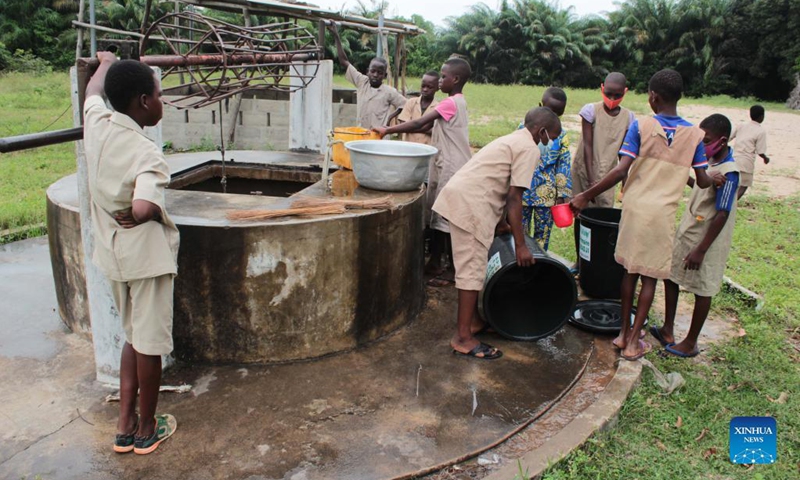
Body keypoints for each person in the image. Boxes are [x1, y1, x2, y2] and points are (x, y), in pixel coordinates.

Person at [570, 69, 722, 361]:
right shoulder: (695, 135)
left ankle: (622, 334)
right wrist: (713, 179)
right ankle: (633, 344)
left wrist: (585, 195)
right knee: (649, 279)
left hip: (634, 209)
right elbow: (701, 181)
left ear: (653, 97)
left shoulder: (640, 126)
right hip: (660, 216)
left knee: (629, 272)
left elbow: (620, 170)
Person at [83, 53, 179, 454]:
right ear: (143, 101)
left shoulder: (98, 126)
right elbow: (141, 207)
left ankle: (122, 425)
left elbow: (91, 92)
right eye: (159, 95)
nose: (163, 101)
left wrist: (103, 63)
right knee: (150, 343)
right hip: (147, 260)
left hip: (113, 255)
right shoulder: (146, 152)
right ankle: (145, 429)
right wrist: (151, 211)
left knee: (132, 336)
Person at [430, 107, 561, 359]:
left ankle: (474, 322)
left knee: (472, 267)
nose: (550, 144)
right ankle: (463, 338)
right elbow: (514, 197)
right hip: (471, 205)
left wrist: (501, 224)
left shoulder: (513, 139)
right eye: (551, 138)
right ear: (541, 131)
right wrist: (520, 245)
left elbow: (497, 180)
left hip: (463, 197)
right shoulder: (529, 148)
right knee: (472, 271)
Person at [374, 57, 473, 286]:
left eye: (443, 76)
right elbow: (428, 125)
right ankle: (435, 262)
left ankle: (452, 271)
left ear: (455, 79)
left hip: (452, 165)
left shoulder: (450, 103)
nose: (440, 81)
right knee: (437, 214)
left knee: (447, 218)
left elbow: (418, 124)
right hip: (444, 163)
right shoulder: (455, 102)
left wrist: (387, 130)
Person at [650, 114, 739, 358]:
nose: (703, 145)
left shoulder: (730, 173)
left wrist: (701, 249)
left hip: (707, 240)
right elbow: (701, 186)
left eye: (707, 140)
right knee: (670, 276)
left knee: (703, 288)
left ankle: (690, 342)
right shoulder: (710, 164)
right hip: (689, 231)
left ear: (721, 141)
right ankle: (668, 329)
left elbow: (722, 213)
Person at [520, 87, 572, 250]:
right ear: (540, 105)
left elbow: (563, 165)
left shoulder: (562, 136)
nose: (552, 116)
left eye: (557, 114)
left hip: (547, 196)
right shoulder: (524, 128)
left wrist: (562, 194)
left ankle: (539, 265)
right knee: (520, 232)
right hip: (522, 191)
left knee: (542, 236)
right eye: (549, 111)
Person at [329, 24, 406, 129]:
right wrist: (336, 35)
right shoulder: (361, 82)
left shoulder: (389, 91)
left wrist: (389, 119)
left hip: (379, 137)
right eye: (373, 71)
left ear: (385, 75)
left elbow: (404, 105)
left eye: (379, 72)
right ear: (367, 72)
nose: (375, 75)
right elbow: (344, 61)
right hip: (361, 133)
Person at [731, 105, 770, 199]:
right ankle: (732, 203)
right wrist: (766, 158)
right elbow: (760, 151)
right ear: (762, 116)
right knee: (744, 185)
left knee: (732, 183)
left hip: (734, 158)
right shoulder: (760, 131)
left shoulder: (741, 126)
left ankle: (727, 201)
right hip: (747, 161)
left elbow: (729, 137)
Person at [392, 71, 440, 144]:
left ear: (437, 88)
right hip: (408, 148)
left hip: (427, 149)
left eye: (429, 87)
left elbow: (436, 131)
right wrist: (425, 129)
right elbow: (403, 124)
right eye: (423, 86)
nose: (425, 89)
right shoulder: (411, 102)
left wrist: (410, 127)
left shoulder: (438, 107)